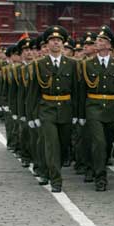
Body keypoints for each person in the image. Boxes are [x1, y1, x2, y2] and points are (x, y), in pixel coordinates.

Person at [25, 25, 78, 192]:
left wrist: (78, 114)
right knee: (51, 145)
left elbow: (76, 91)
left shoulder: (72, 64)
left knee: (62, 146)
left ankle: (53, 168)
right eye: (52, 40)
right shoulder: (39, 64)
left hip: (66, 109)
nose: (56, 43)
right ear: (47, 45)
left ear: (63, 44)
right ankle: (56, 180)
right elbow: (33, 92)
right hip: (46, 109)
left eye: (59, 40)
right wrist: (31, 116)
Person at [79, 26, 114, 191]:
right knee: (98, 142)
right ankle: (100, 177)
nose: (97, 42)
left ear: (108, 45)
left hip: (112, 108)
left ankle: (94, 166)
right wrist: (80, 113)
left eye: (101, 40)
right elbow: (82, 91)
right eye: (97, 40)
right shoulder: (87, 64)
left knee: (106, 144)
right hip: (93, 108)